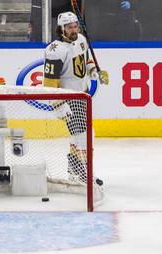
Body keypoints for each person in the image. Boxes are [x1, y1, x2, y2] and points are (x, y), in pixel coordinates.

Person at [43, 11, 109, 191]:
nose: (73, 30)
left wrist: (94, 71)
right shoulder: (55, 50)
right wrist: (58, 104)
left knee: (81, 135)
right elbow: (49, 82)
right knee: (83, 135)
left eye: (75, 26)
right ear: (61, 29)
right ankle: (82, 172)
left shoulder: (81, 39)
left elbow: (86, 61)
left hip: (83, 95)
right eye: (69, 27)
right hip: (68, 99)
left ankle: (74, 169)